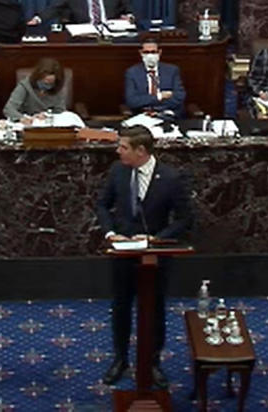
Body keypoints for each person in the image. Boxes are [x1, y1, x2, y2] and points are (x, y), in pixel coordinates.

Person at [95, 126, 193, 389]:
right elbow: (102, 204)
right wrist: (110, 233)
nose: (118, 151)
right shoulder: (118, 171)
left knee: (155, 309)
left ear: (141, 151)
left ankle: (152, 361)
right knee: (121, 307)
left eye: (123, 147)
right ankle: (120, 359)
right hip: (123, 251)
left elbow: (185, 218)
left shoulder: (171, 178)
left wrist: (156, 239)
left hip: (155, 253)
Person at [123, 39, 186, 118]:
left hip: (167, 115)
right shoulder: (132, 73)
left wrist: (156, 109)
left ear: (159, 52)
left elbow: (179, 97)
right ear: (141, 53)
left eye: (153, 52)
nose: (150, 56)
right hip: (143, 116)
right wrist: (159, 97)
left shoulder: (172, 71)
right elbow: (132, 101)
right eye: (146, 52)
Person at [3, 58, 69, 122]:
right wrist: (23, 118)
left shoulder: (56, 89)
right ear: (37, 77)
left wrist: (47, 115)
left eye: (50, 83)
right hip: (26, 124)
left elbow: (61, 112)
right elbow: (9, 109)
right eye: (44, 81)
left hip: (47, 125)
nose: (46, 84)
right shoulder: (25, 86)